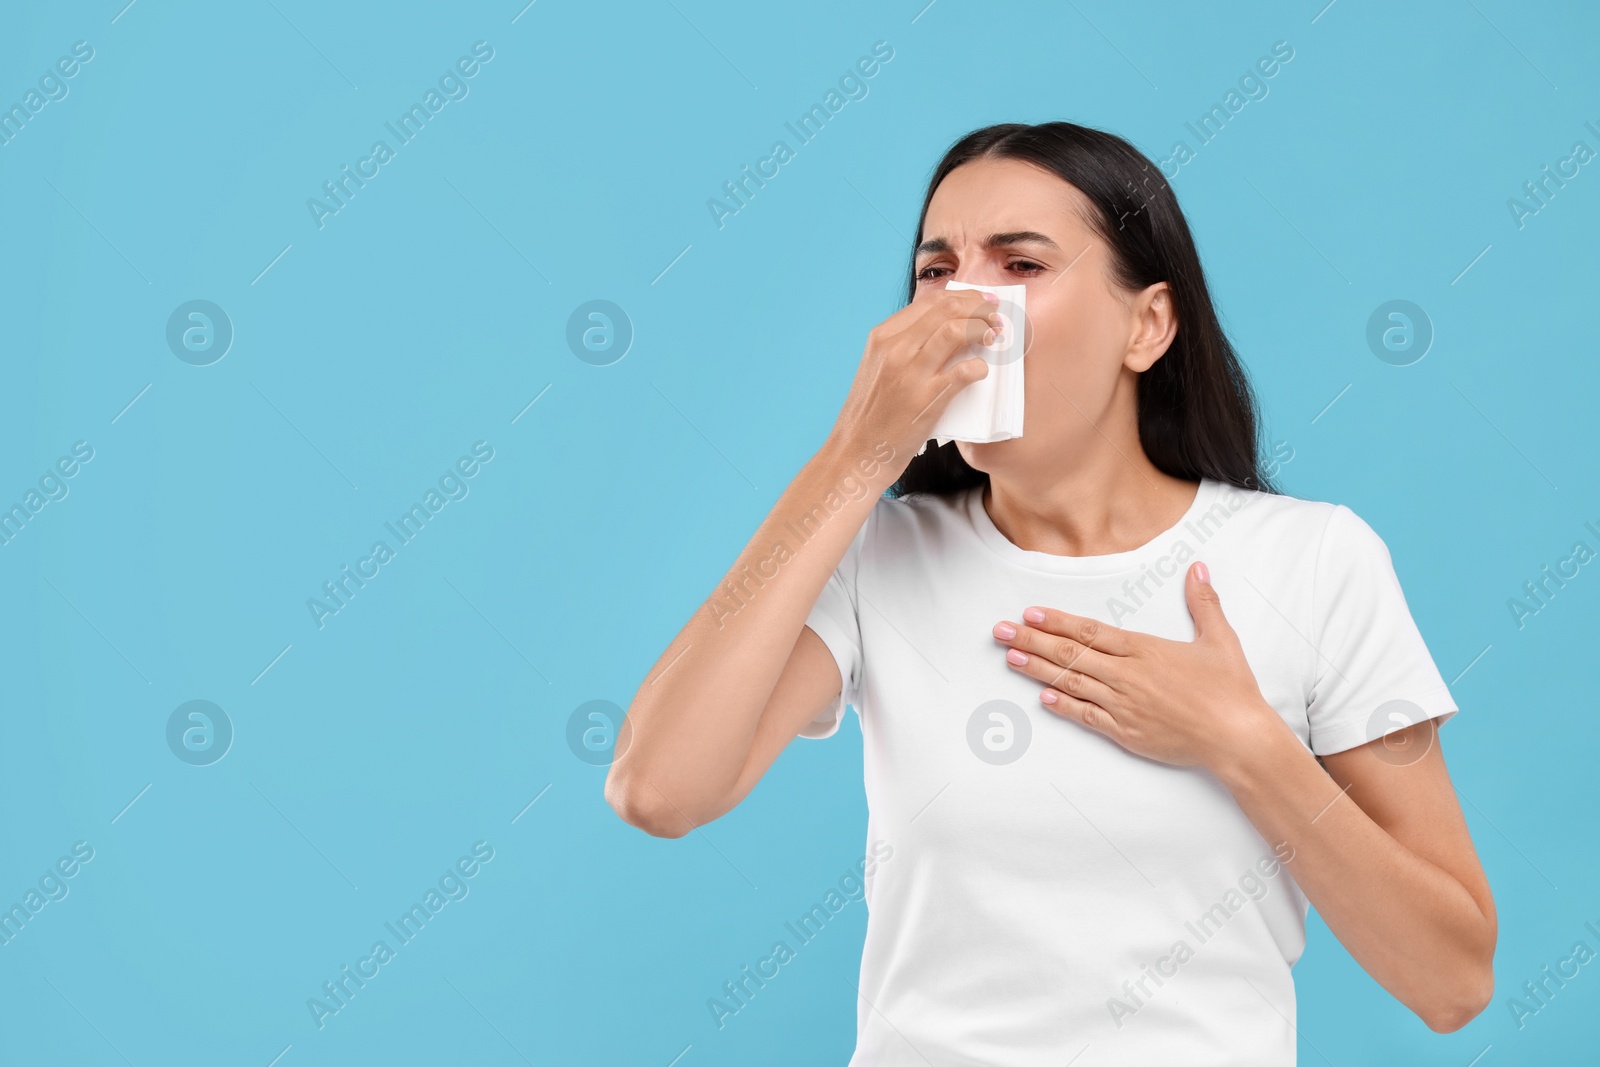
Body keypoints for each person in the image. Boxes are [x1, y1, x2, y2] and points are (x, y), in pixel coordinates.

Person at [605, 121, 1496, 1065]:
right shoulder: (880, 558)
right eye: (937, 271)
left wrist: (1244, 743)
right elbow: (659, 788)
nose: (964, 307)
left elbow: (1451, 980)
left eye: (1020, 265)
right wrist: (854, 454)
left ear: (1146, 324)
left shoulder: (1315, 559)